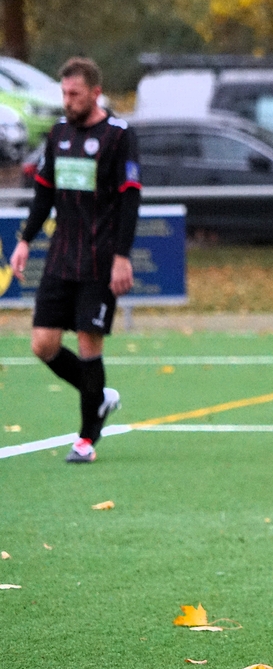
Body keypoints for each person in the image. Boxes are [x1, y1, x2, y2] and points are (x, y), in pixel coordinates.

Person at [9, 57, 140, 464]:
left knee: (87, 344)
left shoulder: (119, 136)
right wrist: (25, 240)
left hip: (100, 260)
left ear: (95, 93)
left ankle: (85, 439)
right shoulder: (58, 134)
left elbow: (130, 200)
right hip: (61, 257)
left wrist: (122, 257)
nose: (68, 101)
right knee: (43, 344)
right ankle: (98, 396)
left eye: (75, 94)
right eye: (64, 93)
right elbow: (43, 194)